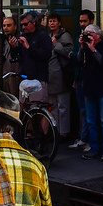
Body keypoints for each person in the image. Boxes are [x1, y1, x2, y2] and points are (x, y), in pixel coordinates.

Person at [77, 24, 103, 161]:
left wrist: (93, 48)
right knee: (91, 120)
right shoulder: (86, 47)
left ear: (98, 35)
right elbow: (79, 62)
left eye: (90, 33)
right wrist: (82, 47)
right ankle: (94, 148)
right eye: (85, 33)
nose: (87, 36)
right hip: (89, 89)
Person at [69, 10, 96, 150]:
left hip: (90, 80)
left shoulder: (95, 38)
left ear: (91, 21)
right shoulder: (79, 39)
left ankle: (91, 141)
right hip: (80, 78)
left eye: (84, 21)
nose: (82, 24)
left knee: (90, 112)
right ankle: (83, 137)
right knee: (82, 111)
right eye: (80, 21)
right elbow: (75, 57)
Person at [45, 12, 73, 141]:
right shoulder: (47, 36)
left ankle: (64, 132)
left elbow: (69, 53)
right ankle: (55, 130)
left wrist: (56, 44)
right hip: (50, 76)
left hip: (61, 75)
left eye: (54, 21)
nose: (52, 23)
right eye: (50, 21)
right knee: (52, 106)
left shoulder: (65, 36)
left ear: (59, 23)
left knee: (63, 106)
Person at [15, 12, 52, 104]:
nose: (23, 27)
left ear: (33, 23)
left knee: (37, 108)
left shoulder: (42, 36)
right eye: (21, 25)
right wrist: (13, 48)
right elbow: (18, 56)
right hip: (25, 77)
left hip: (39, 78)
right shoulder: (23, 36)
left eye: (26, 24)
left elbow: (46, 55)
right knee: (23, 107)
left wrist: (29, 48)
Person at [0, 17, 20, 95]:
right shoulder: (0, 39)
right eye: (4, 26)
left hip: (13, 75)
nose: (5, 28)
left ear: (15, 27)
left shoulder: (20, 38)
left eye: (8, 25)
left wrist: (14, 47)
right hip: (0, 74)